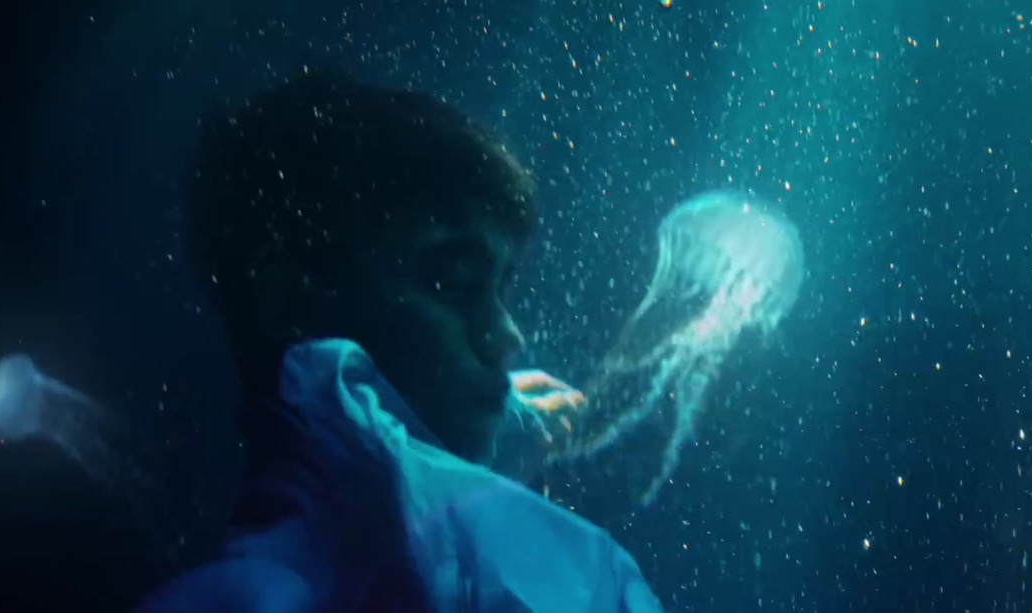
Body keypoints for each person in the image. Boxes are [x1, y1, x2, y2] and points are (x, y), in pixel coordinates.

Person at [135, 68, 663, 612]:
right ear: (291, 305)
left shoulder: (442, 560)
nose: (509, 336)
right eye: (451, 285)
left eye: (499, 289)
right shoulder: (251, 599)